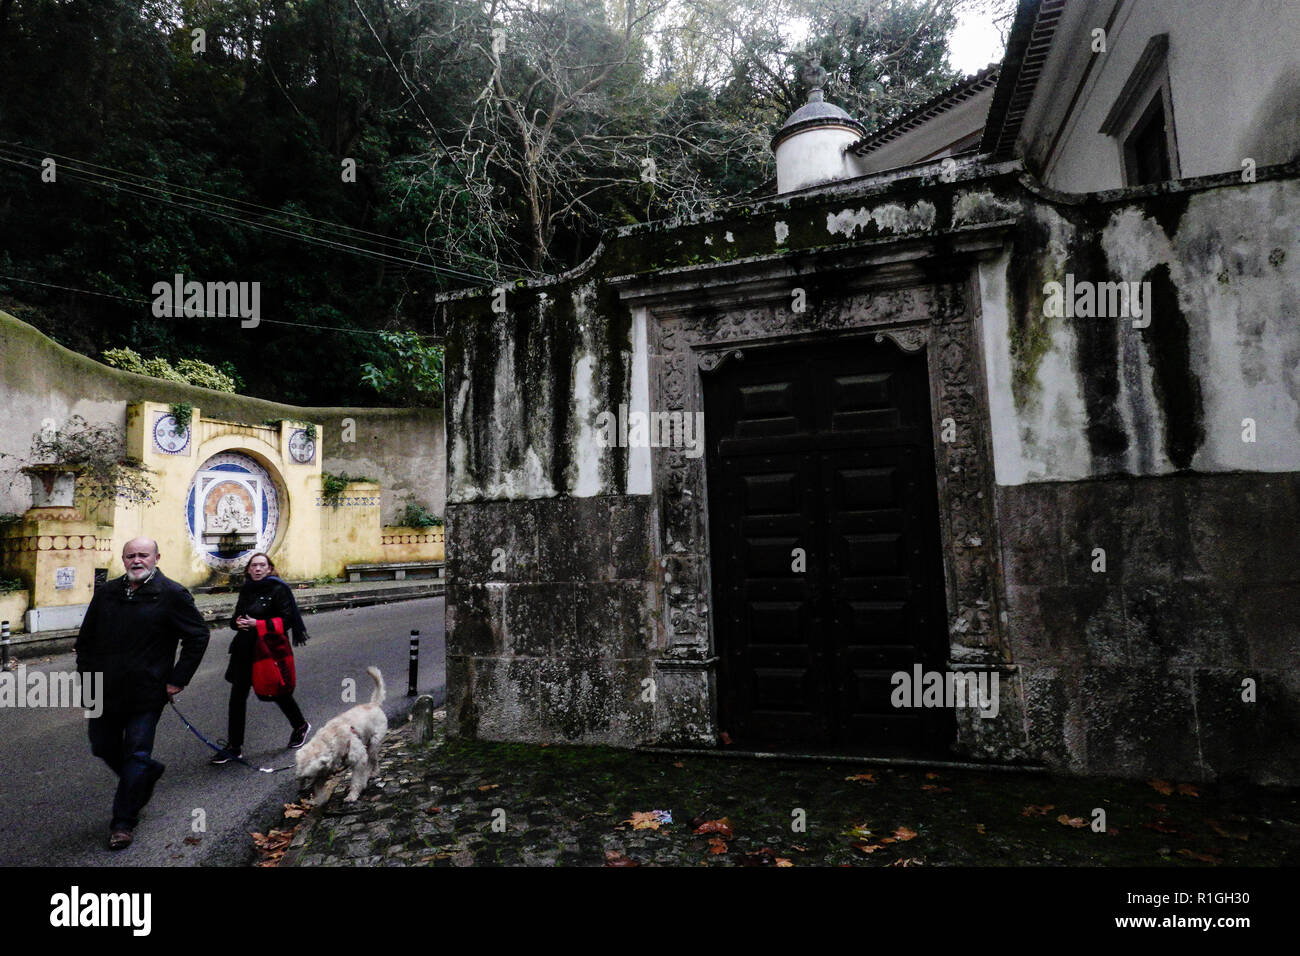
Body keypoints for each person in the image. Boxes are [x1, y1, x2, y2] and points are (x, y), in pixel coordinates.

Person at [75, 537, 209, 851]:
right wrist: (86, 676)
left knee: (136, 753)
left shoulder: (172, 594)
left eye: (143, 555)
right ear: (123, 559)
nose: (137, 560)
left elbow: (198, 635)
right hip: (103, 689)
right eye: (131, 555)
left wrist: (177, 679)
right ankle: (146, 775)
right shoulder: (108, 592)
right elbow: (86, 639)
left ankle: (123, 823)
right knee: (103, 746)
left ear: (156, 558)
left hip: (146, 692)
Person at [209, 552, 310, 765]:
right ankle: (234, 747)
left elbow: (287, 620)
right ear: (248, 570)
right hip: (244, 650)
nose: (257, 569)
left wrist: (259, 625)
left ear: (269, 568)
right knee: (237, 698)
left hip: (267, 650)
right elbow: (235, 619)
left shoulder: (278, 588)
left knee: (277, 693)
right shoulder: (247, 589)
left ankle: (300, 725)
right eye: (253, 566)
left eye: (261, 565)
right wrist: (239, 623)